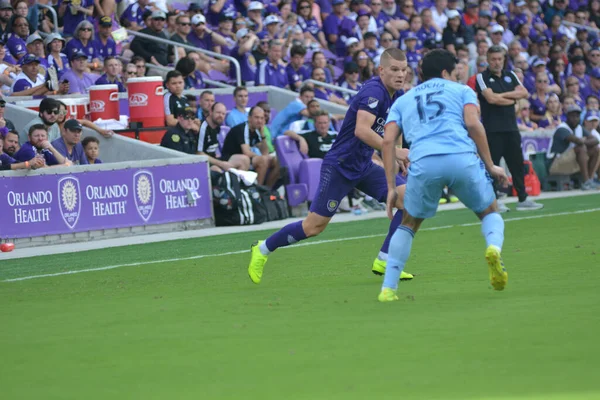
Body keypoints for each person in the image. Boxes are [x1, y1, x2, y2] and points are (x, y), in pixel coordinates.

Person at [247, 48, 415, 285]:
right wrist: (395, 151)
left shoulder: (396, 94)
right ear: (381, 70)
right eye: (394, 69)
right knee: (313, 227)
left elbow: (392, 128)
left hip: (363, 165)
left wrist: (395, 155)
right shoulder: (374, 92)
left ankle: (385, 259)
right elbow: (362, 130)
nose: (400, 74)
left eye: (404, 69)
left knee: (409, 201)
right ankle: (263, 249)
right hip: (340, 166)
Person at [378, 49, 509, 302]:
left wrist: (391, 186)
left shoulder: (403, 100)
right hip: (461, 157)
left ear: (420, 73)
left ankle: (388, 288)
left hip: (425, 161)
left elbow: (387, 142)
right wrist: (491, 164)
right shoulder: (462, 91)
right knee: (489, 211)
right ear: (447, 72)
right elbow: (472, 124)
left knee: (409, 223)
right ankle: (493, 247)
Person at [476, 46, 543, 212]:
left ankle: (523, 198)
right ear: (488, 60)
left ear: (504, 59)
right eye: (493, 59)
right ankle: (495, 201)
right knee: (493, 166)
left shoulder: (511, 75)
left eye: (500, 59)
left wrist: (500, 97)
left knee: (516, 164)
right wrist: (510, 97)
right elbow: (490, 98)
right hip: (493, 129)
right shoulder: (482, 77)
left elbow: (524, 93)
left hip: (511, 128)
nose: (497, 62)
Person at [221, 106, 280, 187]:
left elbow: (265, 152)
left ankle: (267, 189)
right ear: (249, 118)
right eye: (256, 117)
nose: (259, 121)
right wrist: (263, 158)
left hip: (245, 159)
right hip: (231, 159)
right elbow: (247, 152)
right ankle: (258, 191)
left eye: (262, 118)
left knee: (276, 161)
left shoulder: (256, 130)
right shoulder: (242, 129)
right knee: (263, 160)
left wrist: (263, 135)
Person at [547, 105, 599, 190]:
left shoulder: (579, 128)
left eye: (577, 116)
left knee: (596, 149)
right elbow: (578, 141)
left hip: (569, 162)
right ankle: (585, 182)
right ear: (567, 117)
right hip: (555, 163)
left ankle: (590, 180)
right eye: (572, 116)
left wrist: (583, 141)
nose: (575, 118)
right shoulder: (562, 128)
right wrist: (583, 141)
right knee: (581, 148)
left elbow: (596, 140)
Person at [197, 102, 249, 172]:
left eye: (223, 114)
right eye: (218, 112)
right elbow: (199, 153)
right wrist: (221, 164)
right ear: (211, 112)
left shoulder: (217, 127)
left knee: (244, 159)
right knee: (217, 170)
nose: (221, 116)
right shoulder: (203, 127)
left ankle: (238, 182)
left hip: (215, 159)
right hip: (205, 163)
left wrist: (221, 162)